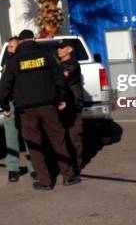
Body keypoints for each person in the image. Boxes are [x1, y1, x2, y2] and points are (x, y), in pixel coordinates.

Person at [0, 29, 80, 190]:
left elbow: (5, 86)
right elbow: (59, 80)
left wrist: (0, 105)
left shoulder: (14, 61)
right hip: (48, 107)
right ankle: (68, 176)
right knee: (58, 140)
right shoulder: (47, 56)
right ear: (33, 39)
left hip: (26, 111)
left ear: (21, 42)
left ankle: (45, 181)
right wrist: (61, 99)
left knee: (34, 145)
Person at [0, 36, 35, 182]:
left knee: (30, 136)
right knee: (11, 138)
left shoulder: (26, 62)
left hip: (26, 104)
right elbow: (3, 87)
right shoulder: (7, 65)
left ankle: (34, 167)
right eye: (8, 47)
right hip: (10, 105)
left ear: (19, 47)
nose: (9, 49)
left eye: (12, 46)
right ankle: (13, 169)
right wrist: (0, 105)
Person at [57, 41, 84, 174]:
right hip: (60, 105)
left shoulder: (73, 64)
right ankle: (65, 164)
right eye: (58, 48)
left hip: (73, 104)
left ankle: (76, 164)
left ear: (70, 49)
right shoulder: (57, 65)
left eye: (62, 47)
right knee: (62, 136)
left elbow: (64, 76)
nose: (59, 49)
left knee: (74, 136)